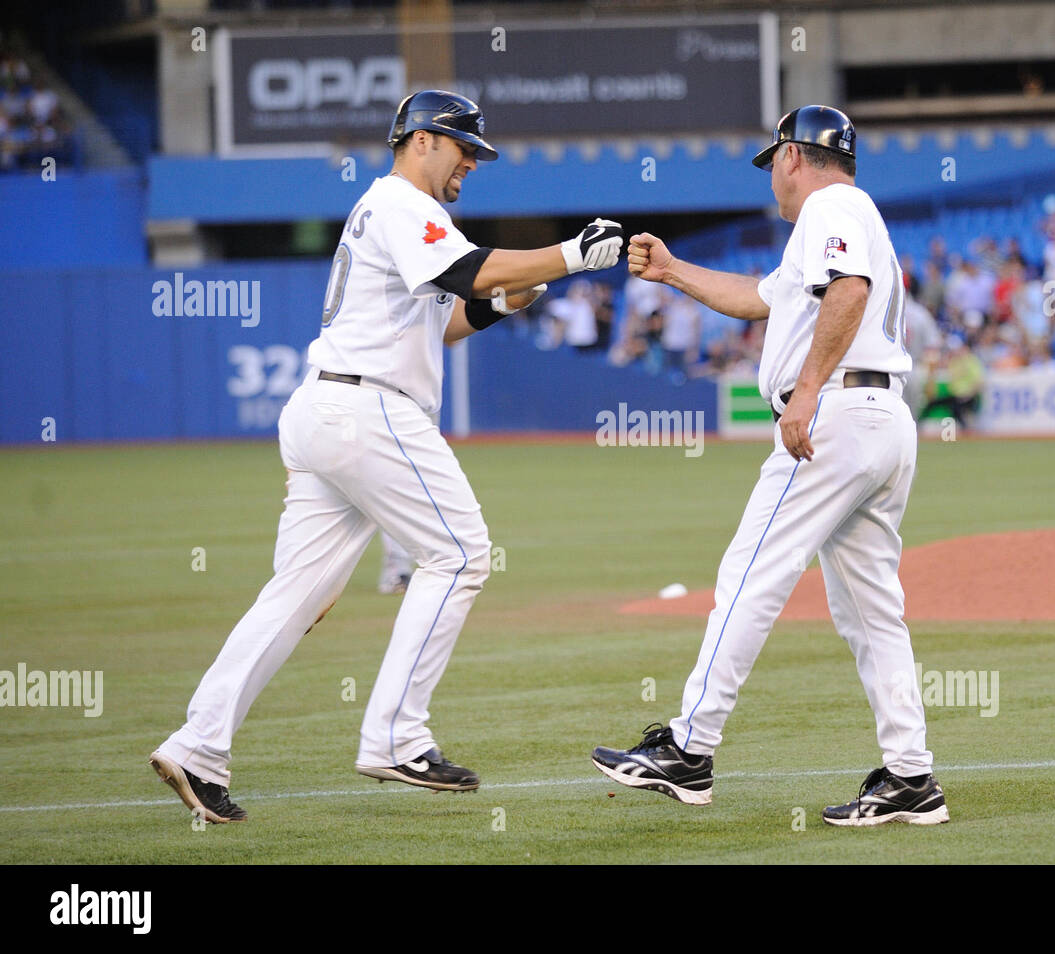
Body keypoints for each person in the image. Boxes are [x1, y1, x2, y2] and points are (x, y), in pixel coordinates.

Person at [149, 89, 626, 823]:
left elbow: (446, 320)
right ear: (423, 140)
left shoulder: (398, 212)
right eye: (465, 147)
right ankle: (398, 735)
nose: (472, 162)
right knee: (462, 554)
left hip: (326, 407)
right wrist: (571, 255)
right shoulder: (405, 203)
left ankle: (197, 746)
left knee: (295, 595)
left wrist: (504, 304)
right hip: (368, 409)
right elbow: (467, 272)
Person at [592, 106, 948, 827]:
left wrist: (808, 391)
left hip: (837, 417)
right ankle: (911, 777)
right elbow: (761, 299)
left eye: (773, 164)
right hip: (879, 419)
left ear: (792, 155)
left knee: (751, 574)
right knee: (872, 611)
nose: (773, 181)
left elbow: (850, 290)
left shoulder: (832, 205)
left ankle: (690, 749)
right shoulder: (835, 218)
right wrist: (671, 271)